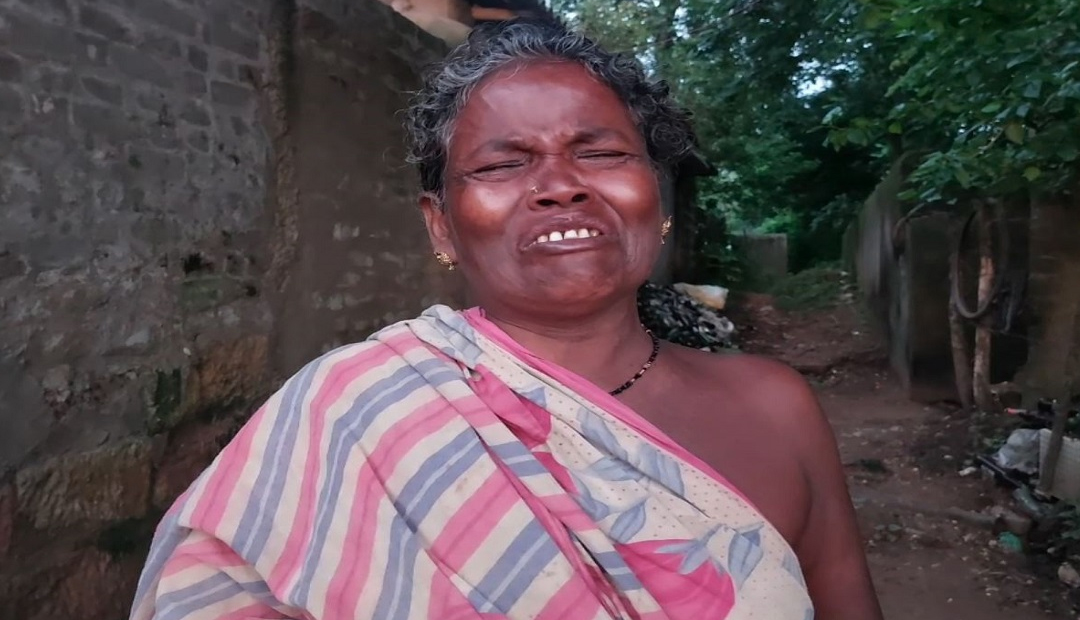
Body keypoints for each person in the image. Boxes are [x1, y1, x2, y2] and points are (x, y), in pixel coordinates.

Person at [130, 19, 882, 620]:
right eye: (501, 165)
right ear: (441, 226)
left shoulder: (775, 409)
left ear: (657, 200)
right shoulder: (348, 414)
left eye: (601, 153)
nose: (559, 185)